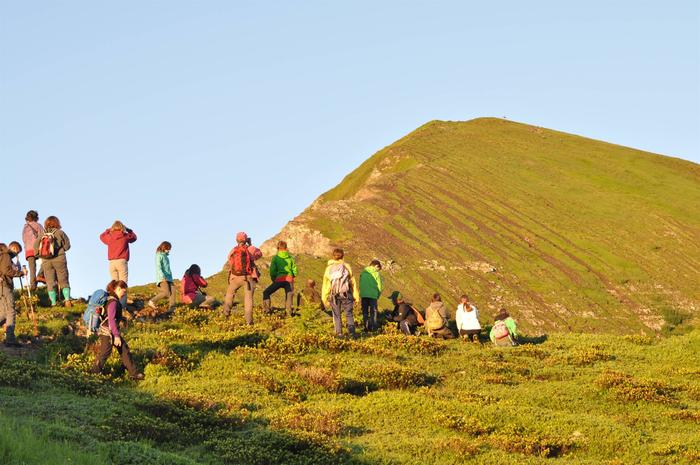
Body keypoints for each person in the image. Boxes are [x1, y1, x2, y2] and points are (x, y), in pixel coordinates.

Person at [90, 280, 144, 380]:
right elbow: (111, 319)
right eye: (124, 291)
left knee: (124, 349)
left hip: (108, 331)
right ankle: (93, 374)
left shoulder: (110, 300)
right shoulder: (113, 302)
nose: (124, 294)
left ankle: (134, 373)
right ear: (118, 289)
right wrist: (116, 336)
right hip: (108, 332)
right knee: (105, 352)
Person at [222, 232, 263, 324]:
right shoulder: (250, 249)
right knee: (248, 299)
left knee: (229, 295)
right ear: (246, 240)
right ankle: (249, 322)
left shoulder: (233, 250)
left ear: (236, 240)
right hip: (248, 278)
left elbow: (229, 259)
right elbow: (259, 254)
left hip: (235, 278)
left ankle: (225, 315)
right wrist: (250, 244)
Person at [321, 248, 360, 338]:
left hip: (334, 294)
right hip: (346, 293)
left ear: (333, 256)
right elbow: (353, 282)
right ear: (343, 256)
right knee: (349, 314)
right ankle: (352, 334)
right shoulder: (347, 266)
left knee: (336, 314)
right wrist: (356, 296)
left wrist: (324, 298)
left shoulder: (328, 268)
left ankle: (339, 334)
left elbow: (326, 285)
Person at [34, 216, 71, 307]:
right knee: (63, 280)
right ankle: (67, 300)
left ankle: (53, 303)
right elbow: (67, 246)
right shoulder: (60, 233)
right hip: (59, 259)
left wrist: (40, 255)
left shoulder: (42, 234)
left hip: (46, 261)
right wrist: (60, 249)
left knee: (50, 282)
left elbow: (35, 247)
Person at [99, 221, 137, 308]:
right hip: (122, 262)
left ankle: (113, 305)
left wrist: (108, 230)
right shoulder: (125, 236)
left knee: (114, 286)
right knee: (122, 285)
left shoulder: (109, 237)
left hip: (112, 263)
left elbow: (101, 236)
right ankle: (122, 307)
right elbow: (134, 238)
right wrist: (128, 230)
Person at [0, 242, 26, 347]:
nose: (17, 255)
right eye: (17, 252)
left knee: (4, 313)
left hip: (1, 286)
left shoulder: (3, 255)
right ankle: (10, 339)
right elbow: (7, 271)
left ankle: (10, 338)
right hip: (4, 286)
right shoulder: (6, 255)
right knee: (11, 311)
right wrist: (21, 273)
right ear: (13, 248)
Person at [262, 241, 298, 317]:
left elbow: (272, 271)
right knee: (289, 297)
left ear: (278, 248)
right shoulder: (290, 258)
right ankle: (289, 315)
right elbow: (295, 270)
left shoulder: (275, 258)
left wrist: (274, 279)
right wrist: (292, 277)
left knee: (266, 292)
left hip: (279, 279)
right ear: (286, 247)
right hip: (289, 280)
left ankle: (267, 312)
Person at [147, 241, 176, 313]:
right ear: (164, 247)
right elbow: (158, 267)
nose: (169, 250)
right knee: (166, 293)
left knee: (173, 292)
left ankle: (172, 309)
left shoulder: (166, 256)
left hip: (169, 278)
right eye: (168, 248)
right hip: (162, 278)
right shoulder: (159, 255)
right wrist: (162, 276)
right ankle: (152, 301)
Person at [21, 210, 44, 291]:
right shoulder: (38, 225)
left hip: (28, 250)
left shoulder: (25, 227)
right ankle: (40, 275)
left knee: (32, 268)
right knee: (46, 262)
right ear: (36, 217)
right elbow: (43, 236)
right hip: (38, 248)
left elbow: (23, 239)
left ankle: (33, 286)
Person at [359, 260, 383, 332]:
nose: (378, 270)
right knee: (373, 312)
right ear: (376, 266)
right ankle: (374, 328)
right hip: (373, 295)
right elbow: (379, 286)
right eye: (378, 268)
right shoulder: (376, 274)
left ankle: (366, 327)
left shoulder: (363, 273)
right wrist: (378, 295)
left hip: (364, 295)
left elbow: (360, 283)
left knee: (365, 312)